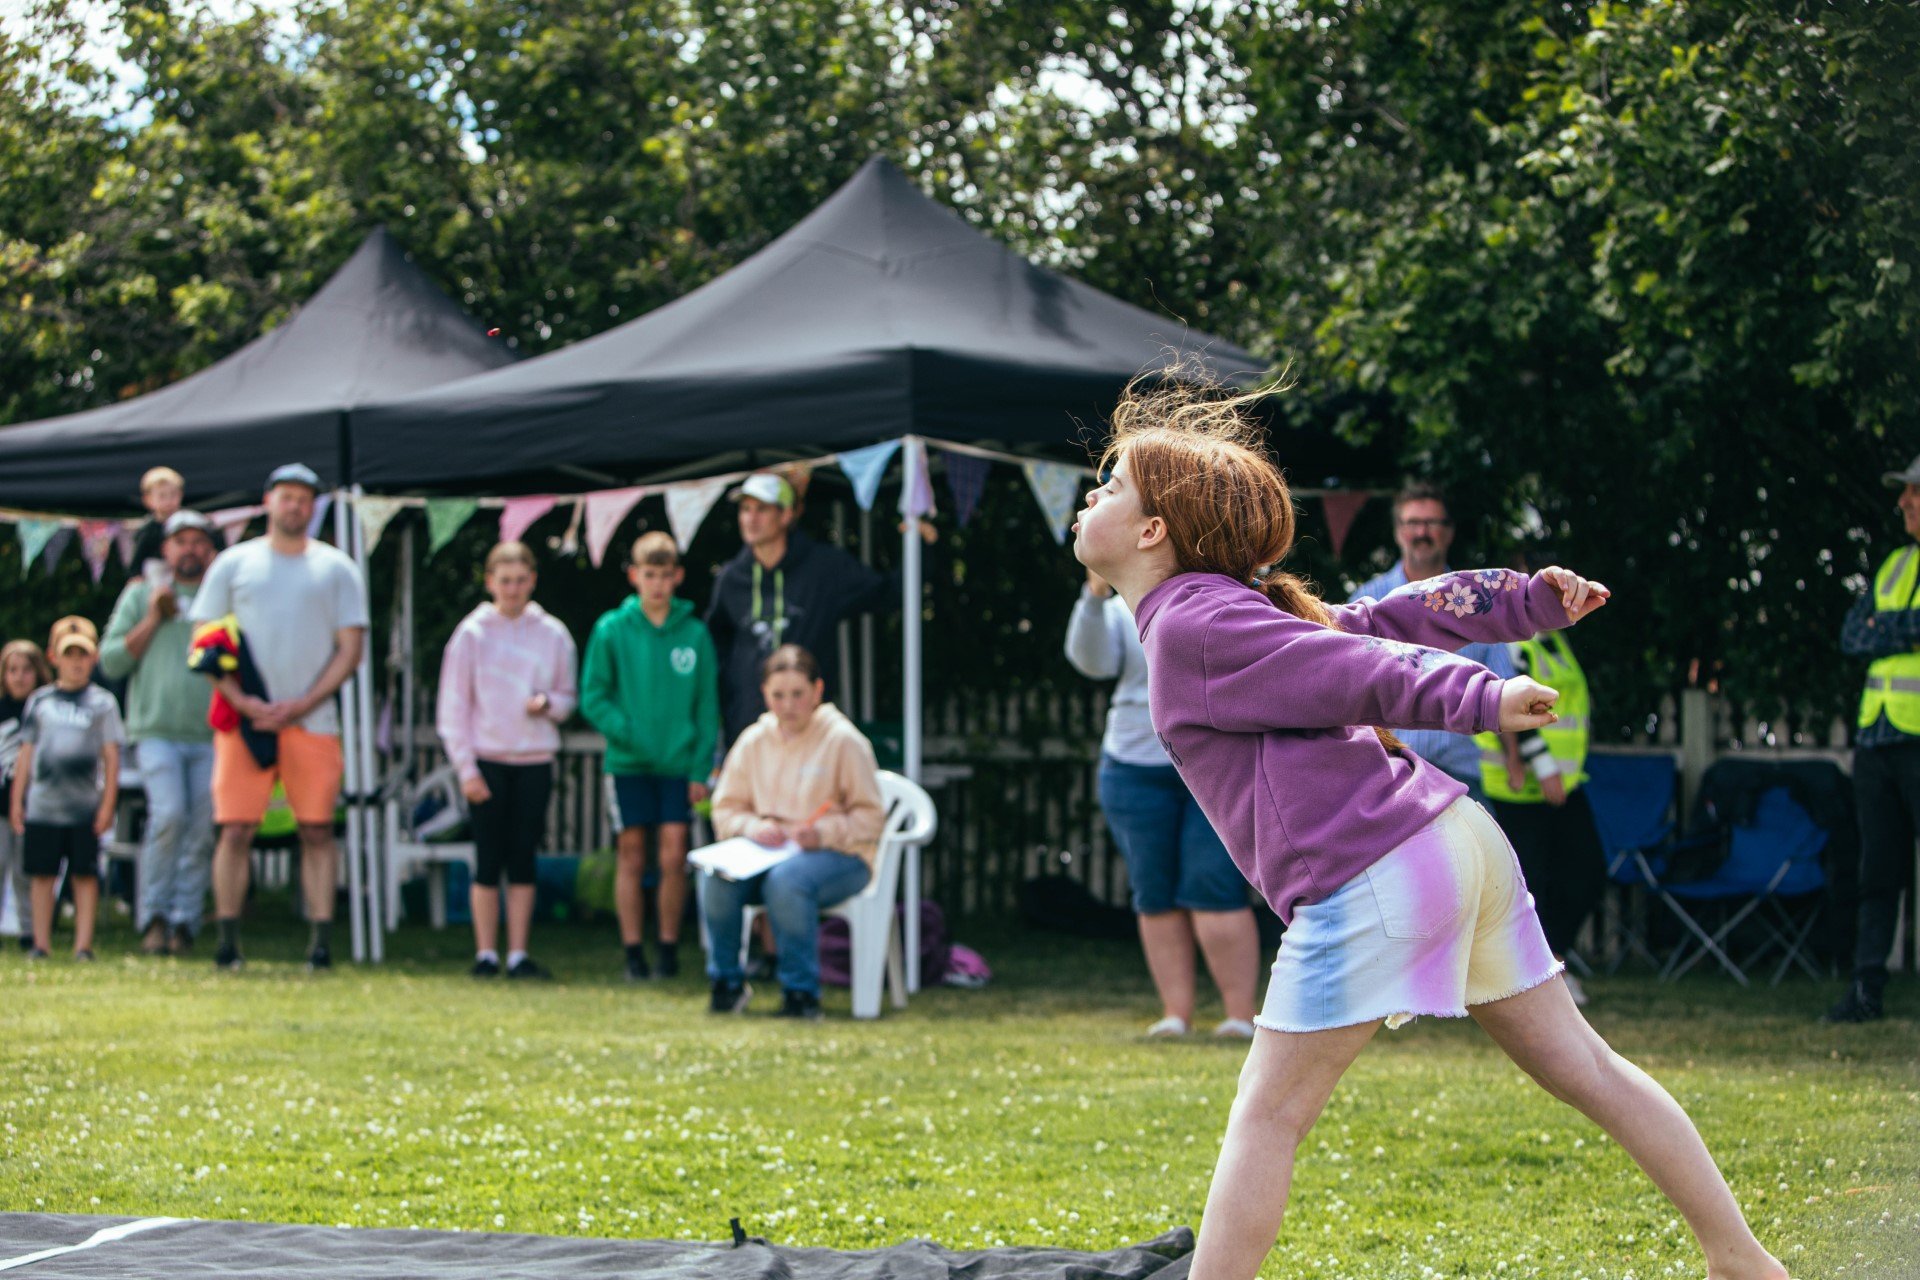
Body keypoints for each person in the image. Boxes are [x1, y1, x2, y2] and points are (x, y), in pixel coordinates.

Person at [1071, 379, 1785, 1280]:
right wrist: (1524, 602)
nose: (1092, 495)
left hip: (1381, 870)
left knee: (1268, 1115)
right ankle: (1744, 1262)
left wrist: (1483, 696)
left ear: (1151, 533)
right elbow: (1395, 615)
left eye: (1112, 485)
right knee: (1589, 1069)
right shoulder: (1227, 613)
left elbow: (1358, 661)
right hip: (1458, 842)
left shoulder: (1192, 625)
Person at [1066, 564, 1259, 1038]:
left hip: (1214, 766)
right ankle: (1176, 1016)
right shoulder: (1120, 608)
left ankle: (1239, 1017)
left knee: (1213, 887)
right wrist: (1094, 593)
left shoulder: (1224, 599)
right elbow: (1090, 661)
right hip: (1132, 769)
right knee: (1153, 893)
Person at [189, 462, 367, 972]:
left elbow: (350, 648)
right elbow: (205, 641)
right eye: (286, 497)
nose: (295, 506)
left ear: (314, 507)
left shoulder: (337, 568)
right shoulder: (233, 563)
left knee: (316, 830)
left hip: (313, 721)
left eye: (304, 499)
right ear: (268, 501)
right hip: (243, 720)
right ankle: (227, 943)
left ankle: (321, 944)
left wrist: (305, 702)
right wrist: (243, 701)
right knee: (236, 829)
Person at [701, 644, 885, 1020]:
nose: (788, 705)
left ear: (818, 691)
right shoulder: (754, 740)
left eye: (798, 694)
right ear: (765, 695)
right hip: (767, 855)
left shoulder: (843, 741)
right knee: (716, 877)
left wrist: (823, 833)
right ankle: (727, 985)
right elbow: (725, 808)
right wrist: (755, 827)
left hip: (840, 858)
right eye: (778, 695)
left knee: (787, 882)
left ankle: (801, 993)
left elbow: (871, 818)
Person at [581, 531, 720, 981]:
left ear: (677, 577)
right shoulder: (610, 629)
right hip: (627, 764)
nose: (657, 584)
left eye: (665, 575)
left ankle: (667, 947)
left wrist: (700, 766)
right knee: (631, 854)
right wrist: (629, 733)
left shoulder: (695, 634)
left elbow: (707, 707)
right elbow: (594, 695)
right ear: (634, 576)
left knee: (674, 853)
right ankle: (632, 951)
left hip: (679, 764)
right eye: (649, 574)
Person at [437, 541, 577, 981]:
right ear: (490, 582)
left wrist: (548, 704)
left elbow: (569, 698)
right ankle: (485, 954)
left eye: (520, 580)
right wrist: (466, 769)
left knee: (522, 857)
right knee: (487, 858)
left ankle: (518, 953)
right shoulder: (471, 635)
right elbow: (453, 707)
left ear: (532, 581)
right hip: (487, 758)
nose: (513, 589)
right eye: (505, 580)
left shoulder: (553, 634)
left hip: (534, 759)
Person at [706, 471, 931, 745]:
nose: (750, 519)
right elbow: (714, 647)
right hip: (747, 730)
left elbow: (889, 594)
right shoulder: (731, 578)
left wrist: (920, 546)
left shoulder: (824, 568)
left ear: (786, 515)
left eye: (762, 509)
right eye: (745, 509)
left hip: (811, 732)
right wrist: (731, 700)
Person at [1350, 481, 1519, 808]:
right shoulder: (1367, 600)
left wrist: (1515, 757)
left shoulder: (1476, 599)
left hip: (1460, 774)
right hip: (1388, 773)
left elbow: (1503, 684)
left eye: (1432, 523)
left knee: (1481, 856)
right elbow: (1347, 684)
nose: (1422, 532)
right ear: (1399, 531)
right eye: (1413, 523)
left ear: (1449, 532)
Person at [99, 510, 219, 956]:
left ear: (210, 550)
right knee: (168, 816)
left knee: (201, 828)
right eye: (180, 541)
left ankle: (185, 921)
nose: (189, 549)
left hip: (210, 733)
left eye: (198, 541)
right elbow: (110, 662)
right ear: (164, 549)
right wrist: (152, 617)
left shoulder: (221, 595)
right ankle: (153, 917)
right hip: (155, 730)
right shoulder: (141, 594)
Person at [1475, 610, 1608, 1004]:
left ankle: (1550, 963)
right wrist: (1544, 766)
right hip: (1519, 787)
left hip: (1562, 784)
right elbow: (1512, 703)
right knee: (1531, 885)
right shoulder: (1511, 639)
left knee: (1587, 871)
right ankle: (1532, 977)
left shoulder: (1557, 640)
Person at [1829, 452, 1920, 1023]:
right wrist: (1898, 633)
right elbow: (1850, 635)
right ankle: (1867, 992)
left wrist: (1883, 631)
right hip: (1879, 739)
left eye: (1914, 492)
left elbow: (1874, 631)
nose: (1904, 501)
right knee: (1877, 871)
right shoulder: (1893, 565)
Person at [8, 618, 124, 961]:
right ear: (55, 658)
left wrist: (107, 806)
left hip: (84, 806)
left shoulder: (103, 704)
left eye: (82, 655)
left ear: (93, 658)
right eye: (68, 654)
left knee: (84, 876)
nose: (76, 662)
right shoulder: (40, 701)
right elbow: (26, 754)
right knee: (41, 876)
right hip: (44, 805)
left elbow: (112, 759)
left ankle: (82, 946)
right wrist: (18, 799)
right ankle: (40, 944)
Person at [0, 640, 54, 947]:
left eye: (26, 670)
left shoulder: (44, 710)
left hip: (35, 804)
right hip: (0, 802)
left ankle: (29, 930)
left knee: (26, 870)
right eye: (12, 670)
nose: (19, 677)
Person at [129, 466, 187, 575]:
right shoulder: (147, 530)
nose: (168, 501)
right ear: (148, 500)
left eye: (173, 495)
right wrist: (136, 575)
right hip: (157, 573)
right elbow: (137, 558)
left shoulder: (189, 523)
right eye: (162, 496)